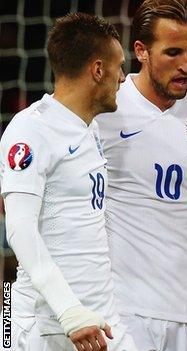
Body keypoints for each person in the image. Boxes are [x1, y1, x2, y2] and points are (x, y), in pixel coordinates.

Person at [94, 0, 187, 350]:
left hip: (184, 312)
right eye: (172, 52)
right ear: (141, 51)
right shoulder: (106, 108)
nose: (185, 65)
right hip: (119, 310)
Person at [0, 13, 136, 351]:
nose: (123, 78)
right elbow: (19, 228)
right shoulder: (30, 129)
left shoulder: (88, 128)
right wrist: (68, 309)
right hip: (42, 324)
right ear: (98, 70)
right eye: (119, 67)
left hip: (100, 320)